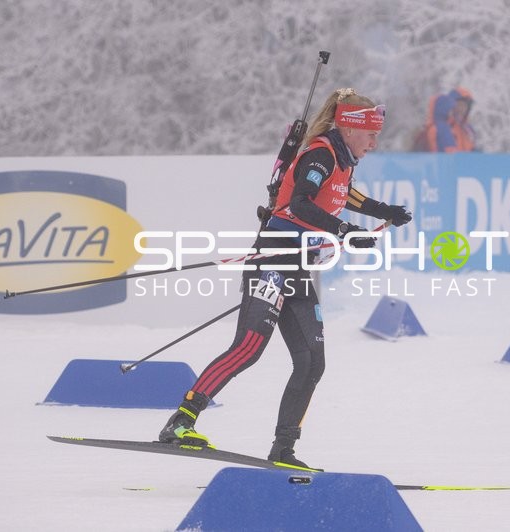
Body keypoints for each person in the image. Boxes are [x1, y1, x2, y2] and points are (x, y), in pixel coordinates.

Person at [158, 88, 412, 469]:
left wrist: (383, 210)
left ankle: (284, 449)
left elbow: (345, 194)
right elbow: (300, 203)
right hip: (273, 259)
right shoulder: (321, 153)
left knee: (312, 360)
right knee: (249, 347)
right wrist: (345, 231)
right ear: (350, 127)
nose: (375, 143)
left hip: (297, 268)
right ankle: (181, 422)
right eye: (371, 134)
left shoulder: (341, 160)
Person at [412, 87, 477, 152]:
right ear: (450, 105)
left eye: (465, 106)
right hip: (445, 161)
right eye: (459, 105)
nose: (462, 109)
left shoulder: (468, 130)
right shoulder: (444, 126)